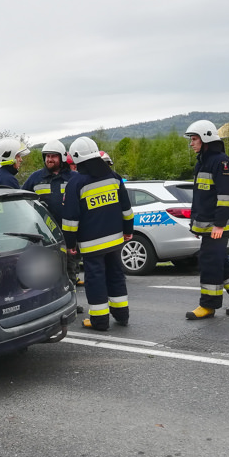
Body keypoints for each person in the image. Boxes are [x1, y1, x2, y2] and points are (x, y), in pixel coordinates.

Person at [62, 137, 134, 330]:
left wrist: (70, 244)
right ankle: (122, 315)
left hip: (92, 245)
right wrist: (128, 231)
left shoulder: (75, 184)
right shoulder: (114, 177)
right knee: (116, 276)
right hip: (115, 240)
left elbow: (70, 222)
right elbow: (126, 210)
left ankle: (99, 321)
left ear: (76, 159)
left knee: (95, 281)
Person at [183, 120, 229, 319]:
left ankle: (208, 305)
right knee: (219, 261)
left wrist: (220, 225)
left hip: (218, 225)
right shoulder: (203, 162)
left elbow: (228, 195)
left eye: (194, 139)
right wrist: (196, 226)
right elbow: (201, 198)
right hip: (207, 224)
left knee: (209, 263)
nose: (191, 143)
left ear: (205, 138)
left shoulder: (221, 161)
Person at [22, 140, 81, 284]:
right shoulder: (35, 178)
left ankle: (71, 303)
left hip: (68, 234)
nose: (49, 159)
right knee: (45, 273)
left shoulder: (74, 178)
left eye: (53, 156)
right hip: (43, 235)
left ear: (61, 157)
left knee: (69, 272)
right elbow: (22, 201)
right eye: (47, 156)